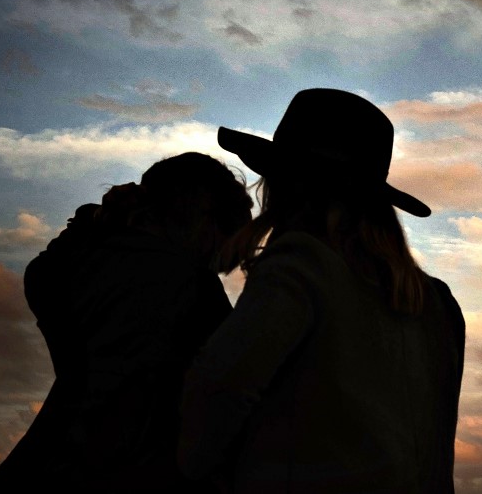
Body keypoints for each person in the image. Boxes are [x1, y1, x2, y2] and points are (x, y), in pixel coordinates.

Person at [178, 88, 466, 493]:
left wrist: (197, 472)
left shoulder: (300, 263)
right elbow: (436, 444)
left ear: (287, 184)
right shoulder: (438, 303)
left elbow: (217, 389)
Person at [0, 152, 253, 494]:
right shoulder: (194, 289)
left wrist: (92, 219)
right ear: (206, 222)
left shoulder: (73, 268)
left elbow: (44, 272)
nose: (218, 266)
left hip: (46, 463)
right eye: (223, 253)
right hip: (136, 473)